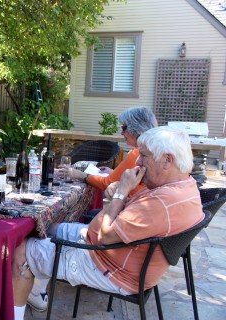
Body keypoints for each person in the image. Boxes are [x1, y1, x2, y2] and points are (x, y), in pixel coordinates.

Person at [12, 126, 204, 320]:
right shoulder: (185, 187)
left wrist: (122, 191)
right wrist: (122, 195)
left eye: (143, 155)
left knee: (21, 248)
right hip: (116, 254)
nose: (138, 161)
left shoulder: (161, 202)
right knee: (45, 227)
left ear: (167, 160)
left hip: (110, 268)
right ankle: (37, 294)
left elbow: (102, 237)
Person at [27, 106, 158, 311]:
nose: (121, 132)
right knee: (58, 223)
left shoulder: (136, 154)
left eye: (124, 128)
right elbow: (116, 181)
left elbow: (108, 186)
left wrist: (79, 175)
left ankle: (36, 286)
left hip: (110, 246)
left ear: (136, 130)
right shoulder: (144, 154)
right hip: (122, 237)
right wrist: (113, 173)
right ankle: (38, 285)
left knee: (45, 229)